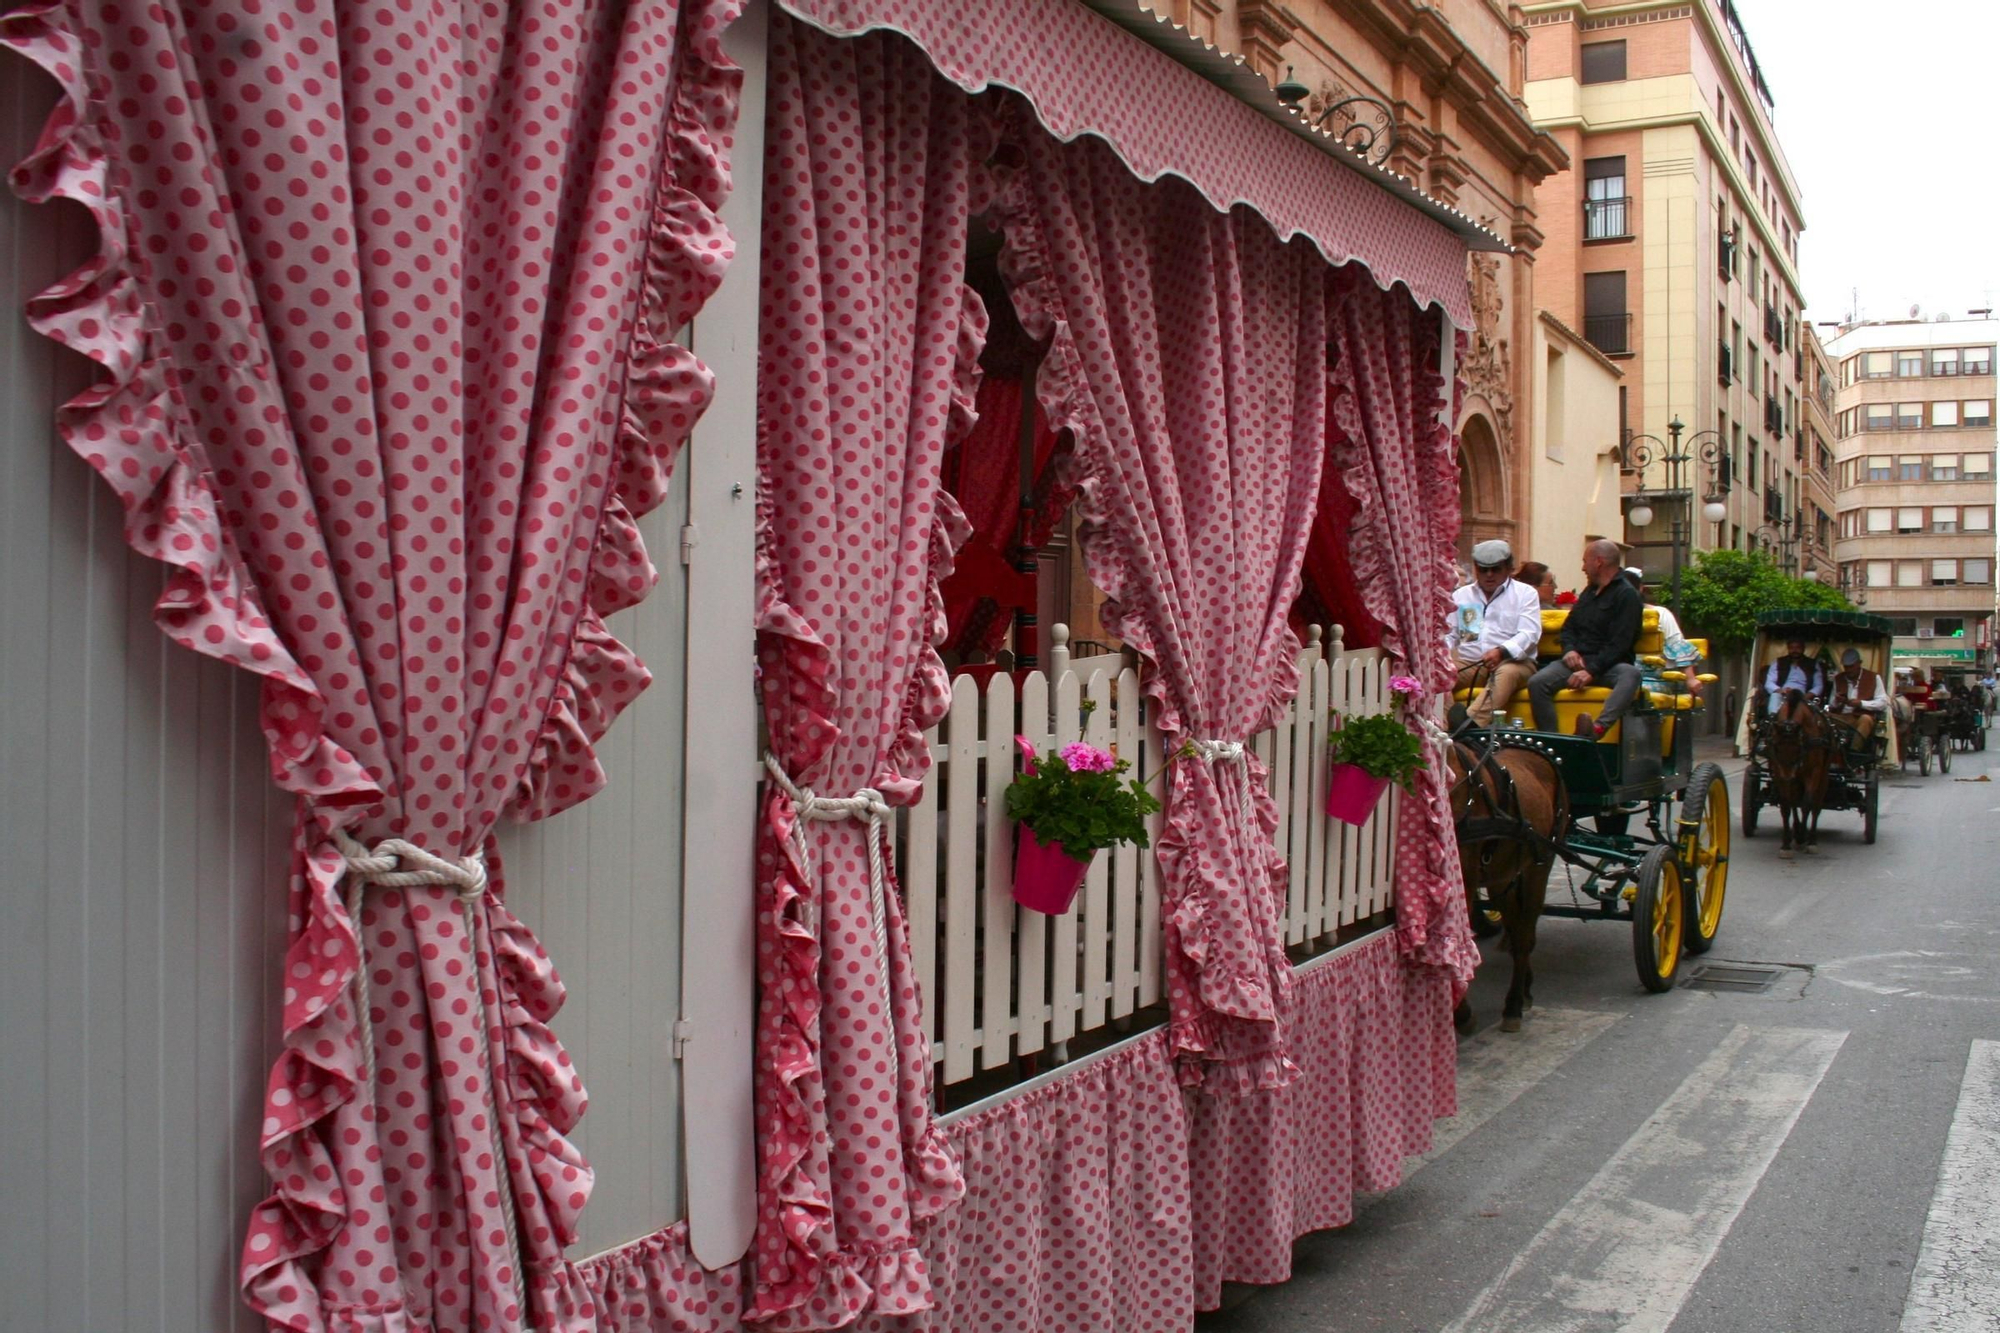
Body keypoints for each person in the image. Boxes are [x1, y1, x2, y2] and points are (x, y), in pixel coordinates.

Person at [1528, 539, 1643, 738]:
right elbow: (1568, 628)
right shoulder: (1589, 592)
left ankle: (1595, 730)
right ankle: (1551, 741)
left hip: (1609, 666)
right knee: (1537, 682)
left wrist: (1591, 670)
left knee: (1631, 675)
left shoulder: (1627, 595)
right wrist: (1569, 650)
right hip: (1577, 661)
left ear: (1598, 562)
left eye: (1585, 561)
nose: (1583, 568)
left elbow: (1620, 644)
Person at [1446, 539, 1543, 727]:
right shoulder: (1462, 595)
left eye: (1495, 569)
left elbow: (1529, 634)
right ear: (1475, 569)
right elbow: (1450, 635)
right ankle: (1445, 725)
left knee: (1506, 673)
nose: (1489, 575)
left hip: (1515, 662)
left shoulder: (1525, 594)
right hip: (1471, 662)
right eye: (1483, 569)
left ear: (1508, 568)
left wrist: (1501, 651)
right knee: (1439, 673)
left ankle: (1468, 724)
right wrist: (1440, 656)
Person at [1620, 568, 1704, 697]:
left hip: (1652, 677)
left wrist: (1690, 679)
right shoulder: (1610, 616)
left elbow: (1677, 644)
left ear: (1640, 589)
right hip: (1617, 674)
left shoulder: (1661, 614)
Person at [1827, 647, 1888, 745]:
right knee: (1822, 717)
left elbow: (1883, 703)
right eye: (1846, 667)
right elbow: (1831, 704)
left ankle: (1854, 750)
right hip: (1841, 717)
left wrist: (1861, 703)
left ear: (1859, 663)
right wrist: (1837, 701)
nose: (1849, 670)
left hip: (1860, 718)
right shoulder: (1839, 679)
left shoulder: (1873, 677)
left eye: (1851, 666)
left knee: (1866, 719)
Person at [1760, 636, 1825, 714]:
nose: (1795, 650)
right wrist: (1781, 690)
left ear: (1803, 649)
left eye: (1798, 647)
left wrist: (1807, 695)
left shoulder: (1813, 664)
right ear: (1788, 649)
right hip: (1783, 694)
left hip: (1803, 695)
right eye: (1791, 648)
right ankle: (1772, 720)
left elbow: (1818, 686)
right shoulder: (1778, 662)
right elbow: (1769, 683)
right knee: (1775, 696)